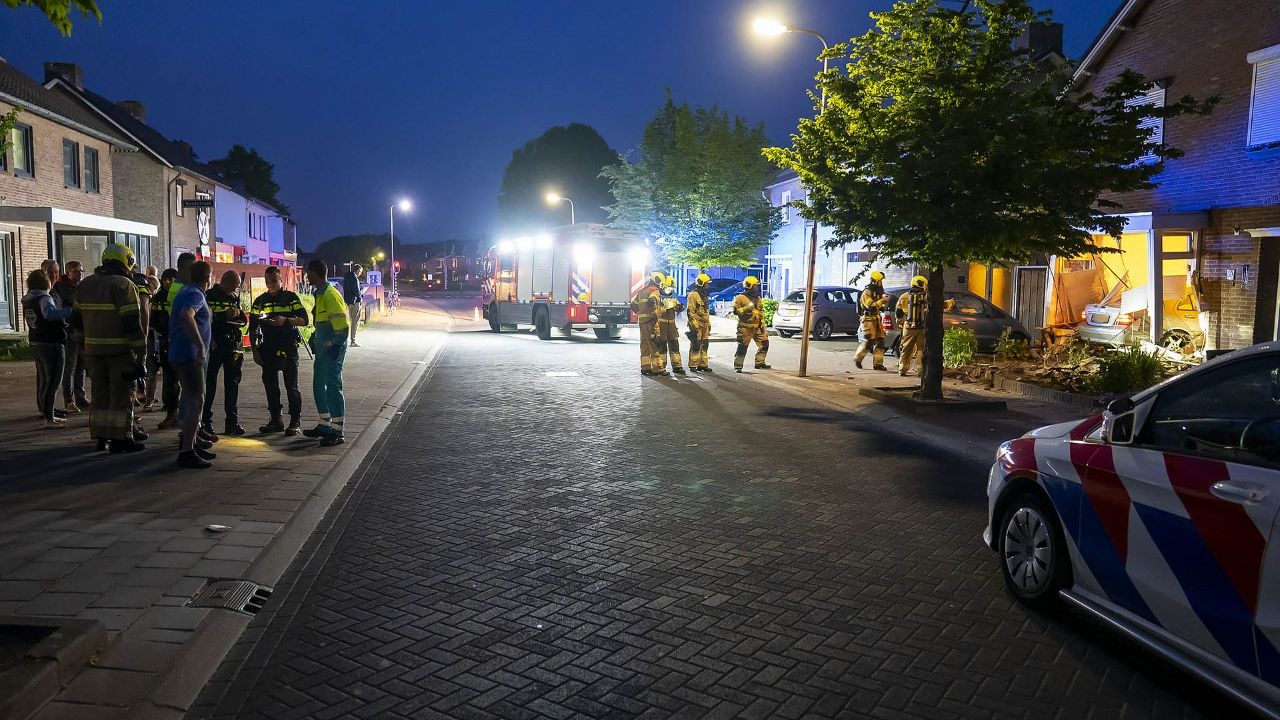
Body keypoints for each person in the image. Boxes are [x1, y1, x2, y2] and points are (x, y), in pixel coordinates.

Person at [73, 244, 146, 453]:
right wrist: (141, 352)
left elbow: (76, 322)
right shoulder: (124, 285)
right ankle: (121, 439)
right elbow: (132, 323)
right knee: (121, 396)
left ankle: (100, 437)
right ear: (126, 261)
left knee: (99, 395)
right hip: (119, 353)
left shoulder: (85, 284)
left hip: (93, 352)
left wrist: (83, 347)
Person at [251, 265, 309, 435]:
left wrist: (286, 320)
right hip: (267, 347)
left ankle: (295, 421)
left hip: (288, 347)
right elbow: (253, 327)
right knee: (270, 385)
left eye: (274, 281)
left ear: (281, 280)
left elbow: (304, 320)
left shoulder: (290, 298)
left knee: (291, 386)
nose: (270, 284)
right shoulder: (260, 301)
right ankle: (276, 419)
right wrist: (255, 351)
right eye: (267, 281)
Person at [171, 261, 216, 468]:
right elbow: (186, 315)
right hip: (189, 354)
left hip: (182, 352)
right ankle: (187, 451)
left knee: (194, 398)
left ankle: (192, 443)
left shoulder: (185, 291)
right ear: (208, 278)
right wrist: (199, 344)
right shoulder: (196, 294)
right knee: (196, 400)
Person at [302, 259, 350, 446]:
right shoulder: (320, 295)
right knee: (318, 385)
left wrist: (333, 342)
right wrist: (316, 338)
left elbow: (342, 326)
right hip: (324, 350)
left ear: (315, 273)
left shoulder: (330, 295)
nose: (306, 276)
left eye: (308, 272)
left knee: (332, 386)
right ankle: (325, 423)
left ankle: (337, 431)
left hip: (333, 350)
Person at [23, 270, 73, 429]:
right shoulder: (44, 298)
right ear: (46, 282)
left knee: (44, 381)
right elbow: (49, 314)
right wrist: (68, 312)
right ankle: (49, 419)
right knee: (53, 382)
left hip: (36, 342)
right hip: (51, 343)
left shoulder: (28, 299)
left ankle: (47, 414)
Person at [202, 270, 247, 436]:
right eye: (233, 286)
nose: (234, 289)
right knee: (210, 384)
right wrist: (224, 316)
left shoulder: (233, 297)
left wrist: (240, 316)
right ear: (225, 282)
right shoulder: (209, 296)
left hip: (231, 345)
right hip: (215, 344)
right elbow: (206, 319)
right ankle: (205, 422)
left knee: (232, 384)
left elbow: (241, 318)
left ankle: (232, 422)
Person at [157, 253, 196, 430]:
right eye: (191, 268)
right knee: (176, 380)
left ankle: (178, 417)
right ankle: (177, 417)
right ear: (182, 268)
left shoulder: (182, 287)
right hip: (177, 341)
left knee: (176, 380)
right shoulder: (179, 289)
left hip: (176, 340)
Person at [53, 261, 88, 413]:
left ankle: (81, 397)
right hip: (71, 331)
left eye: (81, 271)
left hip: (83, 330)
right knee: (70, 367)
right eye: (76, 271)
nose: (80, 274)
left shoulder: (83, 286)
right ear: (68, 273)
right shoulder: (62, 289)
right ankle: (69, 400)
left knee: (81, 366)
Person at [144, 270, 177, 412]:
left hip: (173, 338)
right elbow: (153, 319)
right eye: (165, 279)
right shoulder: (158, 298)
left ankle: (169, 402)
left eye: (171, 280)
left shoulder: (177, 297)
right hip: (157, 338)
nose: (167, 282)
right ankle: (149, 400)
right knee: (152, 371)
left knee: (171, 375)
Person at [732, 276, 770, 373]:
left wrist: (762, 324)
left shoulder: (757, 298)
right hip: (745, 327)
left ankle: (760, 362)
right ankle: (738, 366)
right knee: (742, 346)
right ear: (749, 286)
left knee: (764, 343)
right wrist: (746, 309)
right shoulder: (740, 298)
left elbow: (760, 312)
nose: (756, 287)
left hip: (757, 326)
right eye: (755, 286)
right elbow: (736, 311)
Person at [854, 271, 890, 371]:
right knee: (870, 341)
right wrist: (881, 301)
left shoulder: (878, 292)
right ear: (875, 281)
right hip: (868, 320)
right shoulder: (867, 292)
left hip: (877, 319)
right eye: (880, 281)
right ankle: (858, 358)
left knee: (881, 342)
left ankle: (878, 364)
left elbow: (879, 307)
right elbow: (870, 306)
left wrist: (883, 304)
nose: (881, 283)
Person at [630, 272, 664, 376]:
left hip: (642, 321)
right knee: (654, 344)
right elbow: (652, 299)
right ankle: (657, 368)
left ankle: (645, 367)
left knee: (644, 344)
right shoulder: (655, 290)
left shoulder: (642, 290)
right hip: (651, 321)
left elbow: (633, 305)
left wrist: (640, 313)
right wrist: (654, 311)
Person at [896, 275, 929, 377]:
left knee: (906, 348)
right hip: (921, 327)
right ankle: (920, 371)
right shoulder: (926, 296)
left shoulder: (904, 296)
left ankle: (902, 370)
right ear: (922, 284)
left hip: (908, 326)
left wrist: (900, 323)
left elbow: (898, 312)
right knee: (921, 350)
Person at [652, 275, 686, 375]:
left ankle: (677, 366)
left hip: (671, 326)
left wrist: (680, 307)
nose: (670, 290)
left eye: (671, 288)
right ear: (663, 286)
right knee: (662, 347)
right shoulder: (658, 296)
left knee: (675, 345)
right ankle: (661, 367)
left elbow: (678, 307)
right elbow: (657, 309)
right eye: (668, 288)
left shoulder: (673, 296)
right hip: (661, 326)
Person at [686, 273, 713, 373]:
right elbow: (690, 312)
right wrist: (694, 325)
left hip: (705, 325)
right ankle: (693, 364)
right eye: (706, 283)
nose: (708, 286)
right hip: (697, 324)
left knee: (705, 344)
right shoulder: (694, 295)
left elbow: (706, 311)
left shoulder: (704, 295)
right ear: (701, 283)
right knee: (696, 344)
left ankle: (703, 364)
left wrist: (708, 323)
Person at [343, 264, 363, 347]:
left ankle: (347, 339)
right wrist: (360, 297)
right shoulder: (355, 278)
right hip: (355, 302)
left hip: (349, 301)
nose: (360, 274)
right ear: (358, 270)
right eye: (360, 272)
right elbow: (357, 292)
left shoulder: (347, 277)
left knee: (349, 321)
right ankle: (353, 341)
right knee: (355, 321)